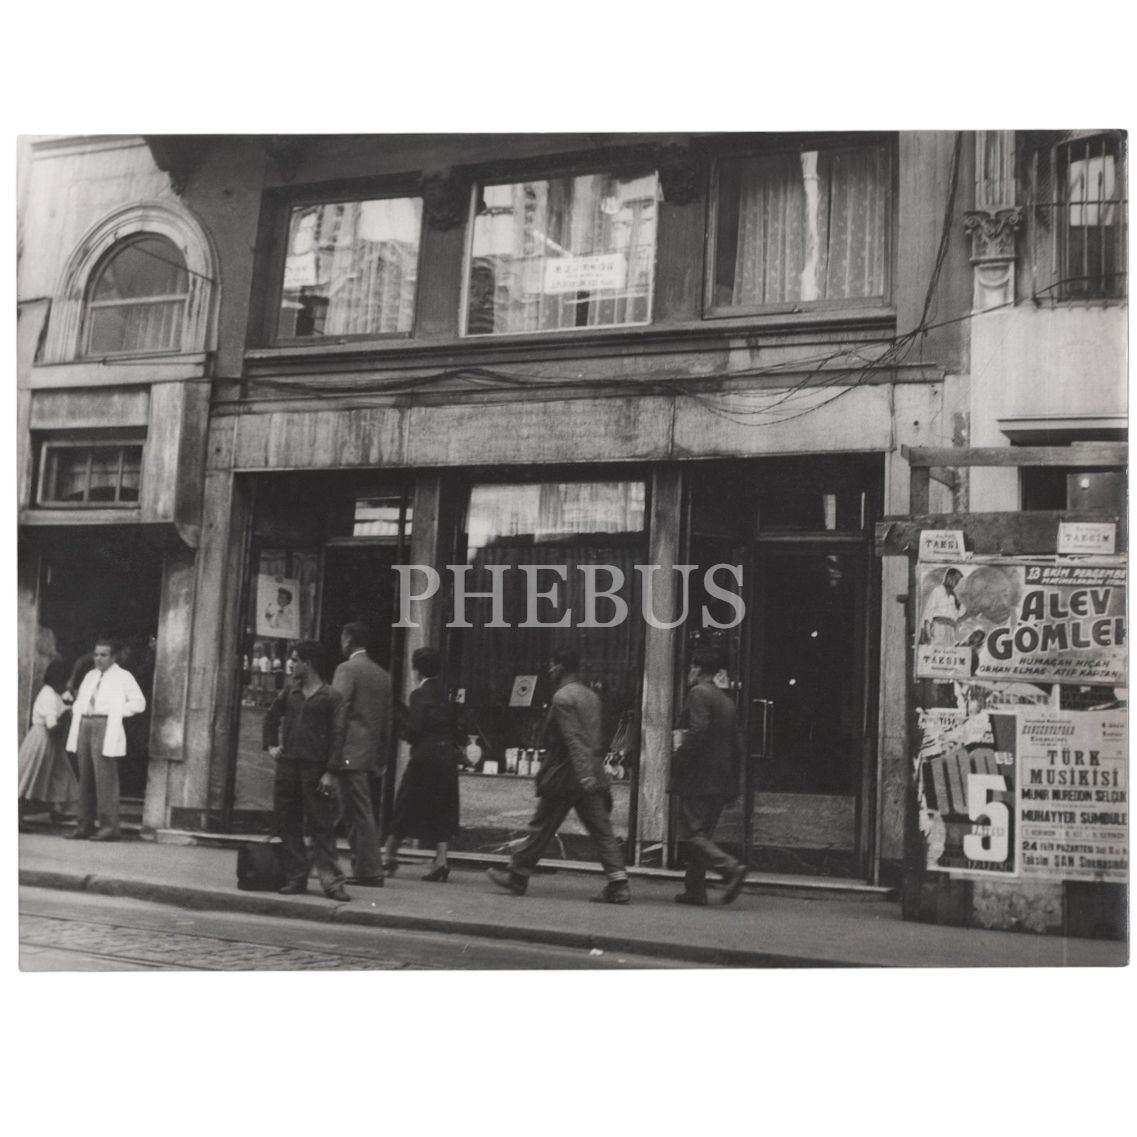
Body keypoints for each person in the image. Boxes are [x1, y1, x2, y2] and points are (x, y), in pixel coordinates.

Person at [487, 647, 631, 904]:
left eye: (552, 666)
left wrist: (583, 774)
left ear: (561, 668)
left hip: (566, 774)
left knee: (542, 826)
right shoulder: (591, 696)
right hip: (591, 772)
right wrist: (592, 773)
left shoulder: (562, 697)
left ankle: (517, 875)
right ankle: (619, 884)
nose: (550, 670)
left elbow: (572, 737)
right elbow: (594, 738)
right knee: (602, 830)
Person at [263, 640, 350, 901]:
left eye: (295, 660)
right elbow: (271, 716)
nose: (290, 664)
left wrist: (331, 772)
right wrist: (271, 746)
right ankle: (296, 877)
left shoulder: (332, 697)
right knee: (288, 822)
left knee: (321, 826)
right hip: (288, 767)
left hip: (316, 770)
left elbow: (338, 736)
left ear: (308, 664)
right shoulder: (290, 692)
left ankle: (332, 882)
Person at [670, 646, 747, 906]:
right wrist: (734, 782)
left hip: (698, 777)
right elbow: (737, 745)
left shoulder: (698, 693)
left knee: (693, 833)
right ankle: (695, 890)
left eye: (691, 667)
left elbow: (698, 730)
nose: (689, 672)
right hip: (720, 779)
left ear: (698, 669)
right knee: (702, 835)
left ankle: (730, 868)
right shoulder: (726, 701)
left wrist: (680, 759)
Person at [384, 646, 459, 882]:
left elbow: (415, 728)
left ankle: (389, 857)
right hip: (446, 755)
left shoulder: (419, 694)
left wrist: (400, 728)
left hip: (424, 756)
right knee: (443, 807)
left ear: (417, 670)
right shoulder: (444, 694)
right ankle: (441, 862)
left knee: (405, 803)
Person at [64, 637, 147, 841]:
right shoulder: (90, 676)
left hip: (105, 725)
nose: (98, 658)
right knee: (85, 778)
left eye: (103, 655)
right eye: (96, 654)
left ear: (113, 657)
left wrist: (116, 712)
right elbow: (82, 699)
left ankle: (109, 828)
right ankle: (84, 825)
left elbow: (139, 703)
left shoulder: (123, 676)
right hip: (85, 724)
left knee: (105, 779)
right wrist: (77, 709)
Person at [329, 622, 390, 887]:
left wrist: (331, 751)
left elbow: (337, 710)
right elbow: (387, 721)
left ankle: (369, 870)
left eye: (342, 637)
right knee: (350, 811)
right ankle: (323, 863)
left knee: (357, 813)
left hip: (346, 752)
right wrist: (381, 757)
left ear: (348, 639)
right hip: (366, 754)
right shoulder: (382, 675)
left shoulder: (346, 669)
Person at [18, 659, 77, 829]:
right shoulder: (48, 696)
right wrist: (67, 717)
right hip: (41, 739)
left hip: (51, 742)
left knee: (59, 774)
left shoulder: (55, 693)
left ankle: (56, 810)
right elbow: (52, 726)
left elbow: (65, 702)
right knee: (29, 777)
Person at [922, 567, 963, 644]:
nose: (956, 583)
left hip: (951, 631)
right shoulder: (937, 591)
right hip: (939, 629)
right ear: (948, 577)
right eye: (955, 580)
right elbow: (928, 614)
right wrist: (928, 635)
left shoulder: (954, 597)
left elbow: (957, 617)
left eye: (957, 581)